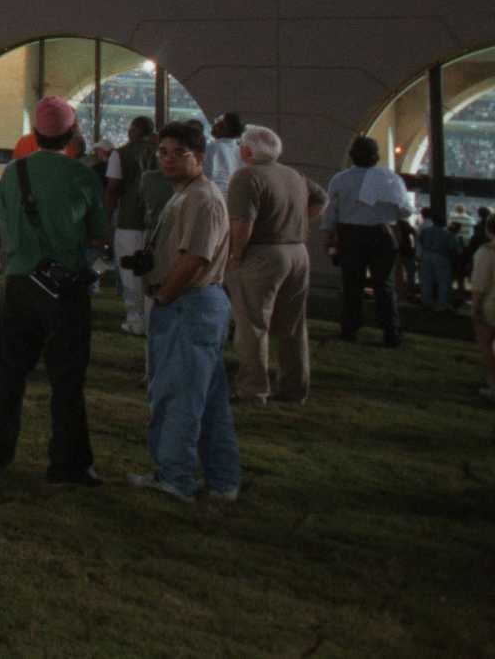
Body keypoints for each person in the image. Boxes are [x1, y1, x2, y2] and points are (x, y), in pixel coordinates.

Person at [0, 96, 106, 483]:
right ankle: (69, 462)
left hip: (19, 282)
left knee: (10, 372)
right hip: (64, 287)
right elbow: (98, 235)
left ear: (34, 133)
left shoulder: (14, 173)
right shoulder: (82, 176)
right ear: (73, 133)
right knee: (66, 379)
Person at [128, 120, 241, 503]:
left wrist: (163, 297)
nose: (169, 160)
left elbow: (195, 257)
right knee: (208, 399)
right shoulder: (186, 193)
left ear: (201, 158)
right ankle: (223, 479)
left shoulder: (202, 198)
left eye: (180, 153)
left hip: (188, 303)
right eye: (163, 152)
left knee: (178, 396)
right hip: (191, 301)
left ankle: (175, 475)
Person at [224, 126, 319, 405]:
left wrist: (235, 255)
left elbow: (243, 222)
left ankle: (252, 389)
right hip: (297, 252)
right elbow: (321, 199)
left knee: (253, 324)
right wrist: (298, 223)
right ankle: (294, 387)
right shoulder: (292, 174)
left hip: (262, 253)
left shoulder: (246, 176)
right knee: (293, 326)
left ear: (247, 151)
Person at [322, 135, 414, 346]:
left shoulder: (340, 179)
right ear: (376, 157)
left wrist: (328, 238)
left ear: (352, 156)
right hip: (382, 234)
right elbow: (405, 211)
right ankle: (391, 332)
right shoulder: (390, 179)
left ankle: (350, 329)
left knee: (351, 285)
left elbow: (331, 213)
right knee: (385, 286)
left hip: (350, 235)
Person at [106, 116, 159, 336]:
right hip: (156, 221)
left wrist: (106, 219)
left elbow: (112, 188)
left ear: (134, 130)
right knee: (154, 272)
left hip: (129, 220)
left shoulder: (120, 153)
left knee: (130, 273)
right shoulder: (160, 152)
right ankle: (152, 317)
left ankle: (135, 318)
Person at [417, 207, 458, 309]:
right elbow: (453, 247)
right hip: (441, 256)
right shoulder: (447, 233)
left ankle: (426, 301)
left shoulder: (425, 231)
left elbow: (420, 241)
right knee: (443, 281)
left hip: (426, 255)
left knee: (426, 280)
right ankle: (442, 303)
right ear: (444, 222)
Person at [471, 233, 495, 402]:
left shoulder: (486, 252)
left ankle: (493, 384)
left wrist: (475, 307)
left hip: (491, 304)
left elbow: (479, 284)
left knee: (487, 345)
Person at [203, 112, 244, 193]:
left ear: (222, 126)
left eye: (217, 121)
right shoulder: (240, 150)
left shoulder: (214, 147)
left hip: (217, 196)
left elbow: (215, 180)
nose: (214, 123)